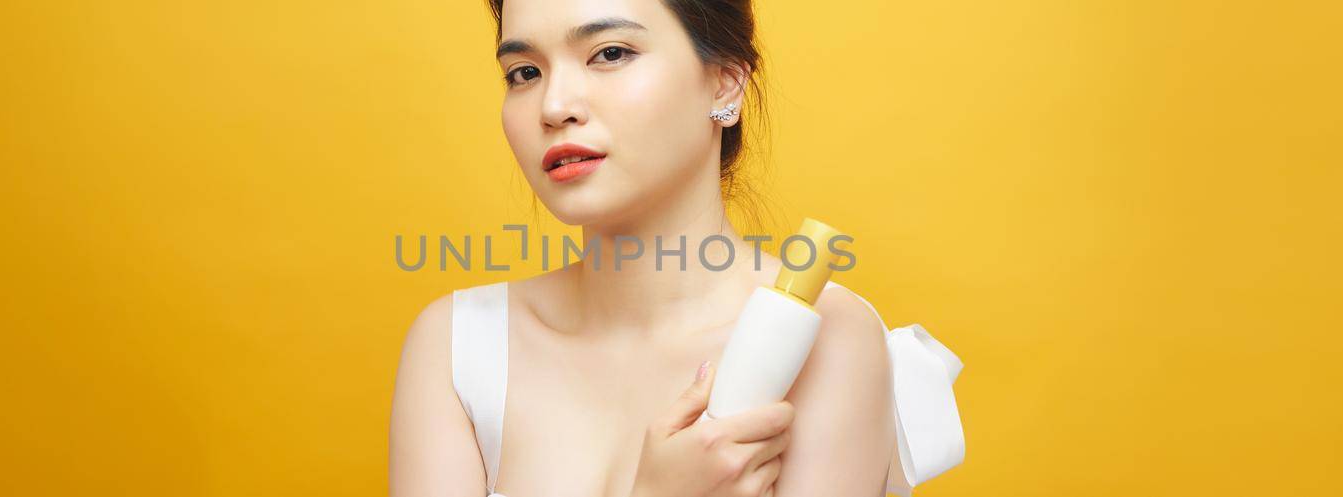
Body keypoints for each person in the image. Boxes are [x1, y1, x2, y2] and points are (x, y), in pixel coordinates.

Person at [390, 1, 964, 495]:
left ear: (725, 83)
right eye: (522, 72)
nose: (553, 105)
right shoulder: (457, 344)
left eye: (610, 53)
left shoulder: (826, 337)